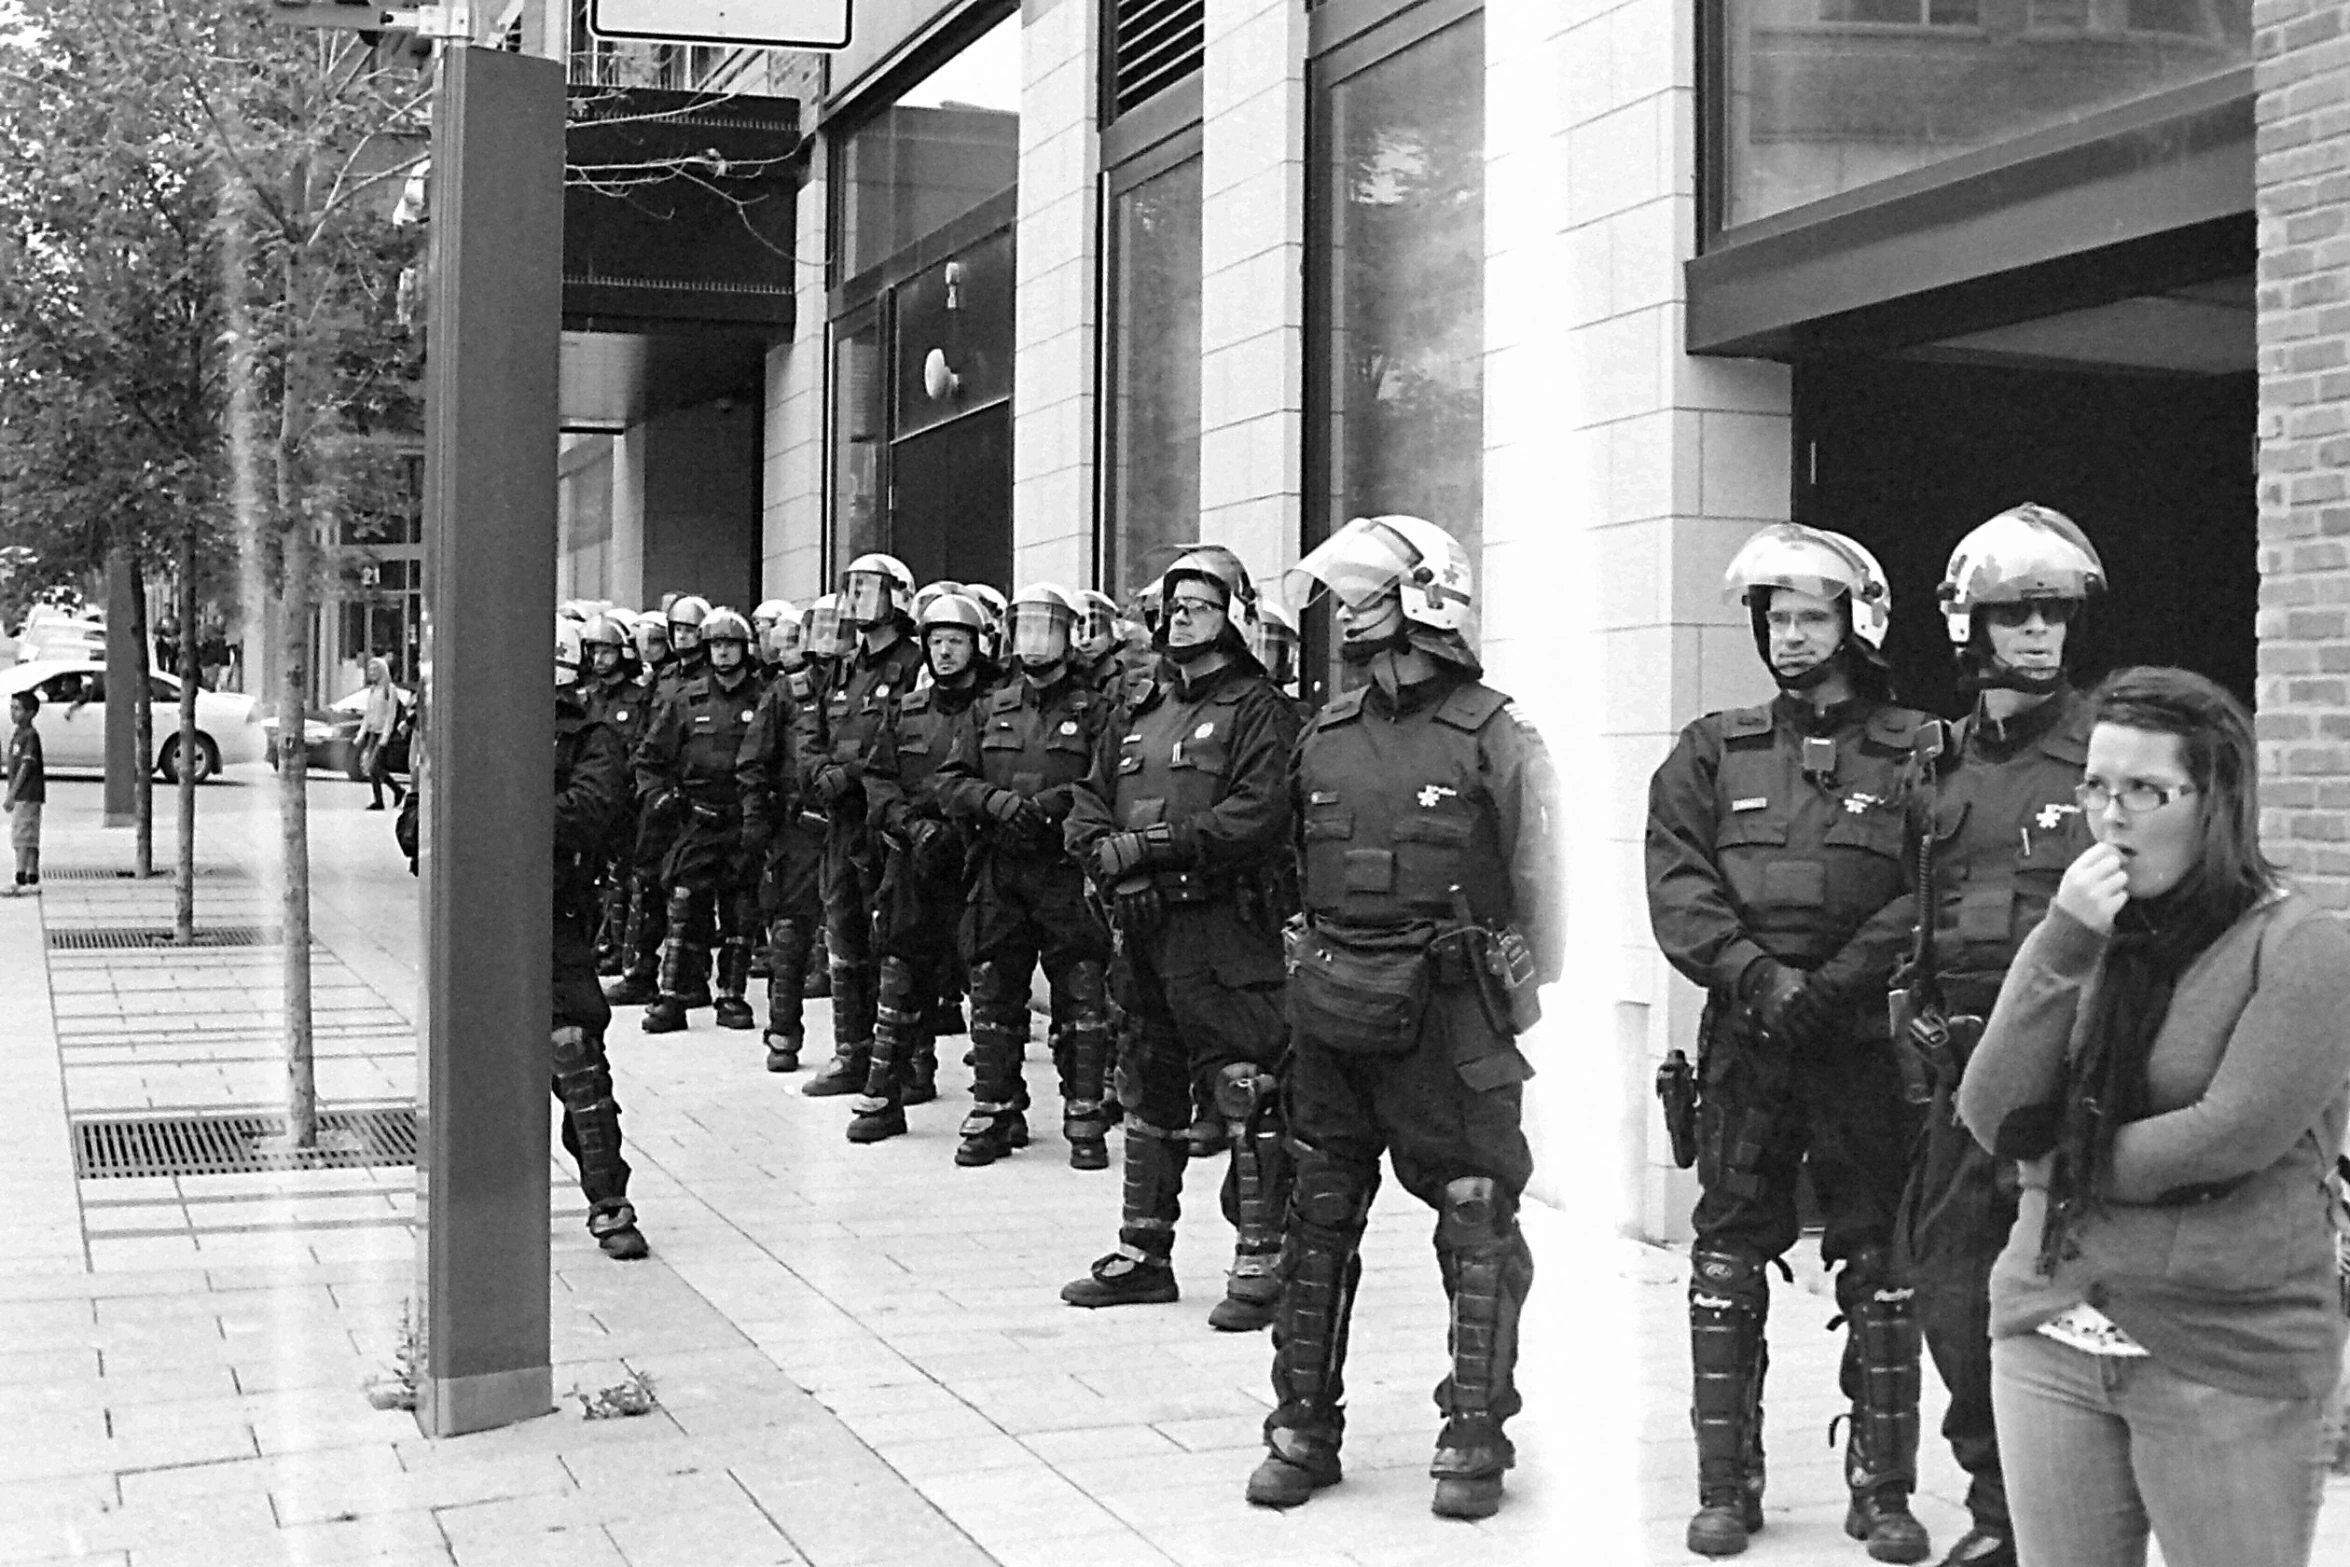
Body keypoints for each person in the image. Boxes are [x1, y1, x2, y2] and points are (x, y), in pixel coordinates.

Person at [1954, 666, 2350, 1567]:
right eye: (2096, 785)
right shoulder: (2087, 929)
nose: (2112, 813)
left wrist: (2053, 1162)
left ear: (2217, 800)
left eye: (2147, 789)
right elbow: (1991, 1109)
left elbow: (2226, 1136)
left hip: (2225, 1347)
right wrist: (2061, 940)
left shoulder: (2302, 947)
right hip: (2049, 1330)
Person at [1242, 515, 1559, 1521]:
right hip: (1334, 1009)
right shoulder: (1324, 734)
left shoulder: (1494, 731)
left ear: (1428, 601)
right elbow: (1283, 863)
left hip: (1450, 1013)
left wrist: (1512, 988)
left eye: (1367, 592)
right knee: (1319, 1211)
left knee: (1475, 1215)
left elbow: (1543, 884)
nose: (1346, 612)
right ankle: (1300, 1426)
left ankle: (1474, 1432)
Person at [1646, 522, 1932, 1560]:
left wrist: (1839, 982)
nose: (1790, 635)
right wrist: (1761, 979)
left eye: (1811, 615)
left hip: (1862, 1043)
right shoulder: (1711, 748)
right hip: (1747, 1045)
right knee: (1723, 1259)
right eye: (1776, 616)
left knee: (1879, 1263)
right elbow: (1678, 885)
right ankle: (1727, 1484)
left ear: (1857, 622)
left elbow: (1932, 888)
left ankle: (1882, 1487)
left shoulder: (1918, 750)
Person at [1896, 504, 2107, 1567]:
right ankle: (1994, 1501)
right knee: (1947, 1294)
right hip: (1960, 1083)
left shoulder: (2108, 754)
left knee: (2062, 1307)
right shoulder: (1935, 767)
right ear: (1968, 627)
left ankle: (2054, 1519)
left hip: (2072, 1088)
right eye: (2014, 612)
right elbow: (1915, 913)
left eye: (2053, 612)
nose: (2037, 632)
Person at [1062, 547, 1300, 1324]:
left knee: (1244, 1088)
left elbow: (1259, 812)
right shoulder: (1140, 707)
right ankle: (1143, 1252)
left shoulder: (1257, 707)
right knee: (1146, 1085)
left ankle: (1263, 1260)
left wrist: (1155, 847)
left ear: (1233, 613)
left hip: (1225, 929)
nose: (1183, 613)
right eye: (1176, 602)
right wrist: (1111, 861)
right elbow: (1089, 801)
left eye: (1201, 600)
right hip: (1143, 930)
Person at [933, 584, 1118, 1168]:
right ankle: (994, 1108)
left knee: (1082, 992)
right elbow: (950, 780)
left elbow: (1110, 778)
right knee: (991, 988)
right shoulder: (991, 704)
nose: (1035, 641)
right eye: (1026, 628)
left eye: (1048, 628)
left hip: (1065, 868)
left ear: (1069, 636)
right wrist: (996, 805)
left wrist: (1054, 806)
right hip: (1001, 864)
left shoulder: (1097, 707)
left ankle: (1085, 1115)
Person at [854, 591, 996, 1143]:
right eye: (935, 642)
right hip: (915, 859)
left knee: (988, 980)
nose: (944, 652)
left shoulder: (997, 707)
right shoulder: (907, 711)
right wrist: (910, 827)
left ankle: (993, 1102)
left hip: (977, 859)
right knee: (899, 974)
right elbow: (878, 779)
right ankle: (885, 1093)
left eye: (955, 642)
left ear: (975, 646)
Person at [800, 555, 927, 1097]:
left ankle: (912, 1061)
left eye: (870, 589)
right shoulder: (841, 668)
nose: (858, 599)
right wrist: (821, 771)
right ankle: (852, 1052)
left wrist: (852, 775)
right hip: (841, 827)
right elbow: (809, 734)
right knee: (843, 937)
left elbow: (913, 737)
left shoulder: (915, 663)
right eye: (852, 588)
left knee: (897, 942)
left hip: (886, 825)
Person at [552, 618, 649, 1260]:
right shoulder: (463, 721)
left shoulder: (590, 736)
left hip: (554, 911)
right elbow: (419, 817)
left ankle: (609, 1202)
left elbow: (590, 813)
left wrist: (490, 811)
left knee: (576, 1055)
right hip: (473, 914)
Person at [633, 608, 766, 1035]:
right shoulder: (685, 699)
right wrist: (661, 799)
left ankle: (732, 995)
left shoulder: (765, 697)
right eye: (715, 645)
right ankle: (672, 997)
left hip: (744, 816)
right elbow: (650, 759)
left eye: (730, 644)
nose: (723, 653)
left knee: (741, 908)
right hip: (696, 818)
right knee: (684, 905)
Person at [739, 615, 825, 1071]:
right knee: (790, 937)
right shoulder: (791, 692)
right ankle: (783, 1033)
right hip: (799, 829)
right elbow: (753, 762)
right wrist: (757, 820)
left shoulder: (874, 688)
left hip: (858, 825)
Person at [4, 690, 43, 896]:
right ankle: (32, 876)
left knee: (22, 837)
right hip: (26, 795)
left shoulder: (29, 736)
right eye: (12, 707)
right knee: (29, 836)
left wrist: (12, 793)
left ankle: (20, 877)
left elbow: (26, 766)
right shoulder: (19, 734)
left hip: (27, 794)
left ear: (30, 713)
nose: (13, 712)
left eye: (18, 708)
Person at [357, 657, 408, 811]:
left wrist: (386, 735)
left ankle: (397, 790)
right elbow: (368, 714)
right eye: (370, 670)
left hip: (382, 733)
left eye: (375, 669)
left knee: (373, 767)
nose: (372, 673)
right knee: (372, 767)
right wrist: (361, 733)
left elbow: (391, 714)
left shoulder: (389, 689)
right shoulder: (372, 690)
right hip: (373, 731)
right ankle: (380, 800)